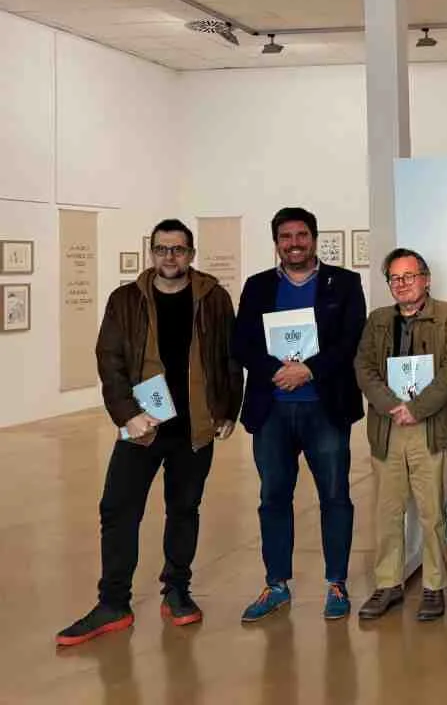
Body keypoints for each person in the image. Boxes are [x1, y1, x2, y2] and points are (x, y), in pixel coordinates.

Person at [56, 220, 242, 647]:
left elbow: (230, 357)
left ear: (191, 254)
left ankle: (177, 590)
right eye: (161, 249)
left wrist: (228, 409)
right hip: (145, 425)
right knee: (118, 509)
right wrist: (127, 416)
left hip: (194, 427)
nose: (169, 257)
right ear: (151, 253)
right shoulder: (126, 300)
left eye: (178, 249)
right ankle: (113, 603)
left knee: (184, 509)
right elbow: (110, 360)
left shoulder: (213, 297)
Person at [234, 207, 367, 622]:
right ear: (276, 242)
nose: (295, 243)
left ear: (314, 238)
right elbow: (242, 343)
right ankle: (276, 584)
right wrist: (278, 372)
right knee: (273, 497)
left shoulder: (343, 283)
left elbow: (351, 341)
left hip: (324, 408)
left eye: (302, 235)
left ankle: (336, 584)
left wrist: (308, 370)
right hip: (272, 410)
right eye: (286, 236)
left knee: (335, 496)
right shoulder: (257, 287)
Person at [355, 249, 447, 622]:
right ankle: (388, 583)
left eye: (410, 276)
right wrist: (391, 405)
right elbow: (364, 367)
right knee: (387, 512)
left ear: (426, 278)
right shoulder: (377, 320)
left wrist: (416, 408)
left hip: (430, 428)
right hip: (388, 428)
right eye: (396, 279)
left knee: (432, 512)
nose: (403, 284)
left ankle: (434, 586)